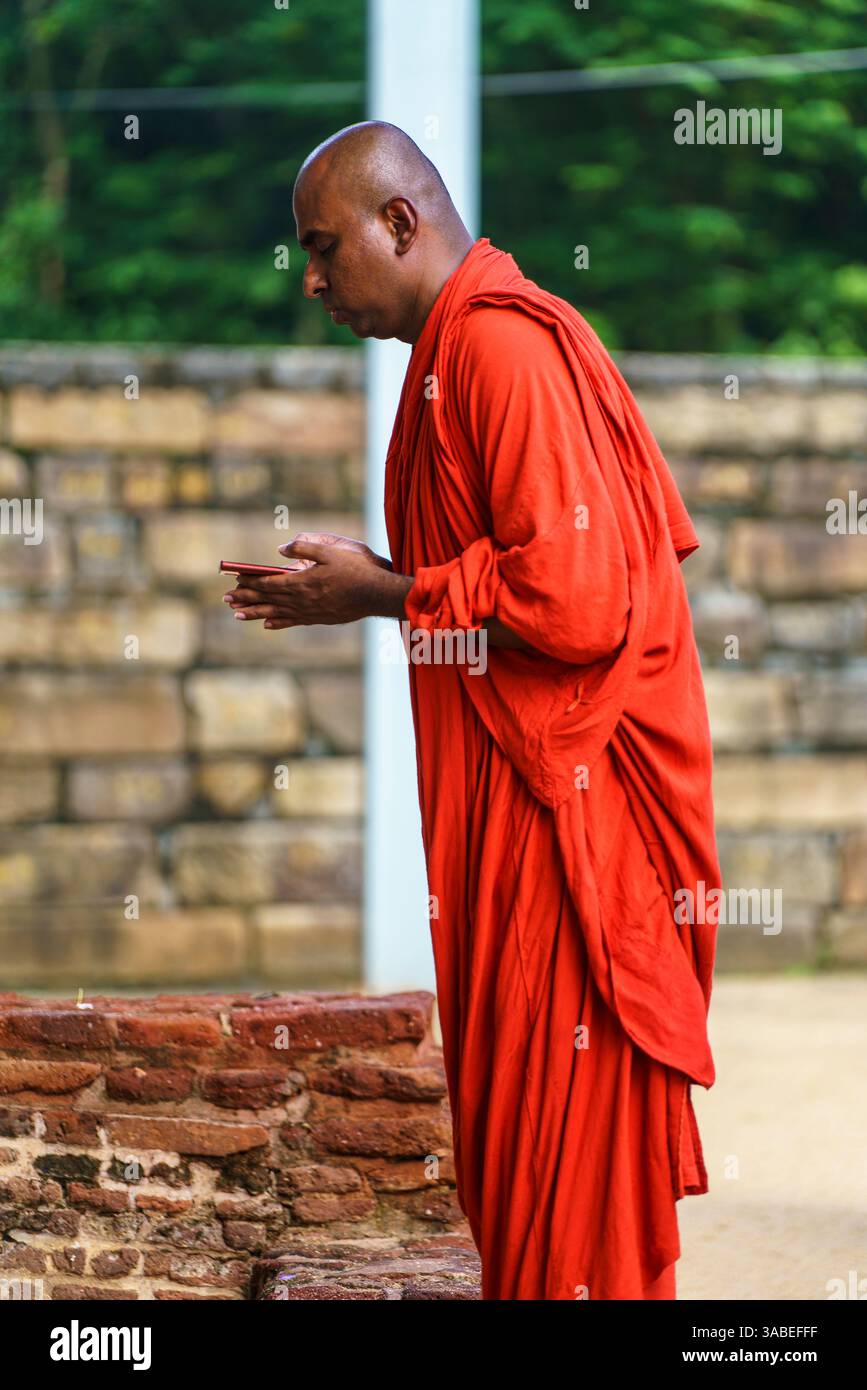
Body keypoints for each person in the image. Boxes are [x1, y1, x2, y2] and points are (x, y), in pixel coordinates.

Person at [225, 120, 720, 1301]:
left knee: (567, 1200)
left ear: (401, 222)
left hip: (569, 837)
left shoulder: (498, 347)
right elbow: (506, 573)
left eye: (321, 246)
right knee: (519, 1182)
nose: (308, 278)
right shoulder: (451, 353)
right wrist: (378, 585)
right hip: (515, 829)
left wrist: (386, 592)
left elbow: (581, 600)